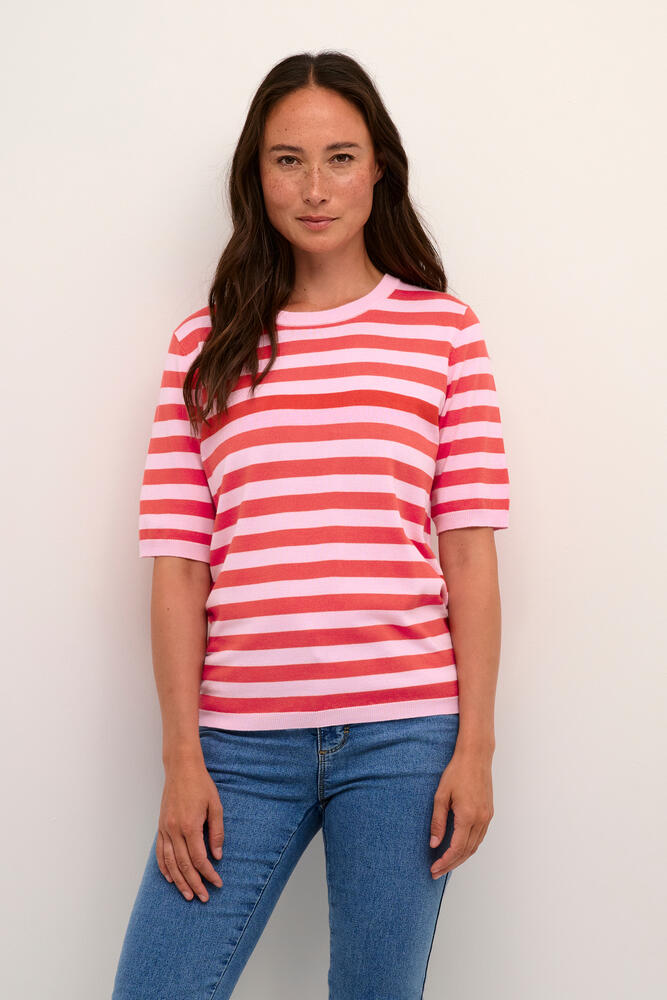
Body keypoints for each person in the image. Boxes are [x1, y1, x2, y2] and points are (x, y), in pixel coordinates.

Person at [112, 50, 510, 1000]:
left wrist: (476, 748)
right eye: (287, 160)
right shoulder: (204, 345)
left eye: (340, 158)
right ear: (256, 177)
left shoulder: (443, 333)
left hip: (403, 735)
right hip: (238, 746)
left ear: (379, 169)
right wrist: (180, 757)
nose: (316, 187)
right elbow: (179, 565)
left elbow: (466, 552)